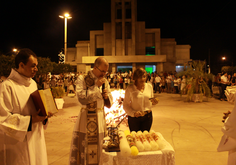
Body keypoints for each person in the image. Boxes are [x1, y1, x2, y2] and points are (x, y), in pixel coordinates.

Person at [0, 48, 50, 165]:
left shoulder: (32, 83)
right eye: (33, 66)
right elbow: (3, 119)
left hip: (36, 136)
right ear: (21, 65)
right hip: (18, 144)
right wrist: (31, 120)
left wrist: (45, 114)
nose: (36, 69)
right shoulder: (7, 87)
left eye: (36, 66)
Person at [69, 57, 113, 165]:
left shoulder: (105, 81)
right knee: (86, 148)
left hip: (100, 117)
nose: (104, 74)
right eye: (102, 71)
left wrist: (106, 97)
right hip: (85, 118)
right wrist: (95, 87)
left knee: (99, 147)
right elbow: (81, 98)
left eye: (106, 71)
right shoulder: (82, 78)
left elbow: (109, 102)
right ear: (95, 67)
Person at [123, 68, 158, 132]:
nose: (142, 79)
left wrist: (154, 102)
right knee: (135, 138)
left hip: (147, 117)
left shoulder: (149, 86)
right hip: (134, 118)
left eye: (144, 76)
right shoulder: (130, 88)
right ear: (136, 78)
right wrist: (133, 113)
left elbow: (151, 101)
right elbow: (125, 105)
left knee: (145, 138)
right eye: (140, 77)